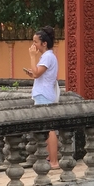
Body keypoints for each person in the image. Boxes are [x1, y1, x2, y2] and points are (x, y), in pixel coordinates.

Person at [24, 26, 59, 168]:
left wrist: (32, 56)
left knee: (49, 129)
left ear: (44, 43)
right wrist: (32, 72)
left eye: (35, 42)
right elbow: (37, 73)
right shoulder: (47, 57)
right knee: (47, 128)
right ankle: (52, 159)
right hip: (43, 93)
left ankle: (54, 161)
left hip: (44, 95)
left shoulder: (48, 56)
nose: (34, 46)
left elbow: (37, 73)